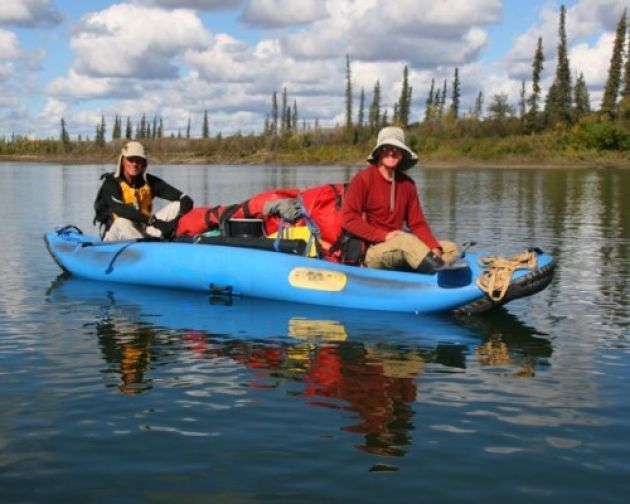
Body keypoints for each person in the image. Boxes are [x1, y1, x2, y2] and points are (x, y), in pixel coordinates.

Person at [341, 126, 459, 272]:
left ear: (402, 154)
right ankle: (434, 268)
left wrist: (434, 247)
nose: (391, 152)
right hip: (373, 250)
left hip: (400, 245)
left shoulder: (408, 184)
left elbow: (417, 223)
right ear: (379, 152)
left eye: (397, 149)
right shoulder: (363, 179)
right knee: (405, 241)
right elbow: (348, 219)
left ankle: (430, 266)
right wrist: (384, 236)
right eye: (386, 148)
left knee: (450, 248)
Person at [95, 141, 193, 241]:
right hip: (115, 235)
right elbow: (120, 209)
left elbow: (186, 200)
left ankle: (162, 239)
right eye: (130, 160)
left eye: (139, 160)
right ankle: (151, 244)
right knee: (121, 221)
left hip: (144, 230)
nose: (134, 164)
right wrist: (153, 221)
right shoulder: (110, 182)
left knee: (177, 205)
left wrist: (173, 223)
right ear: (123, 161)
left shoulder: (150, 182)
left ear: (144, 163)